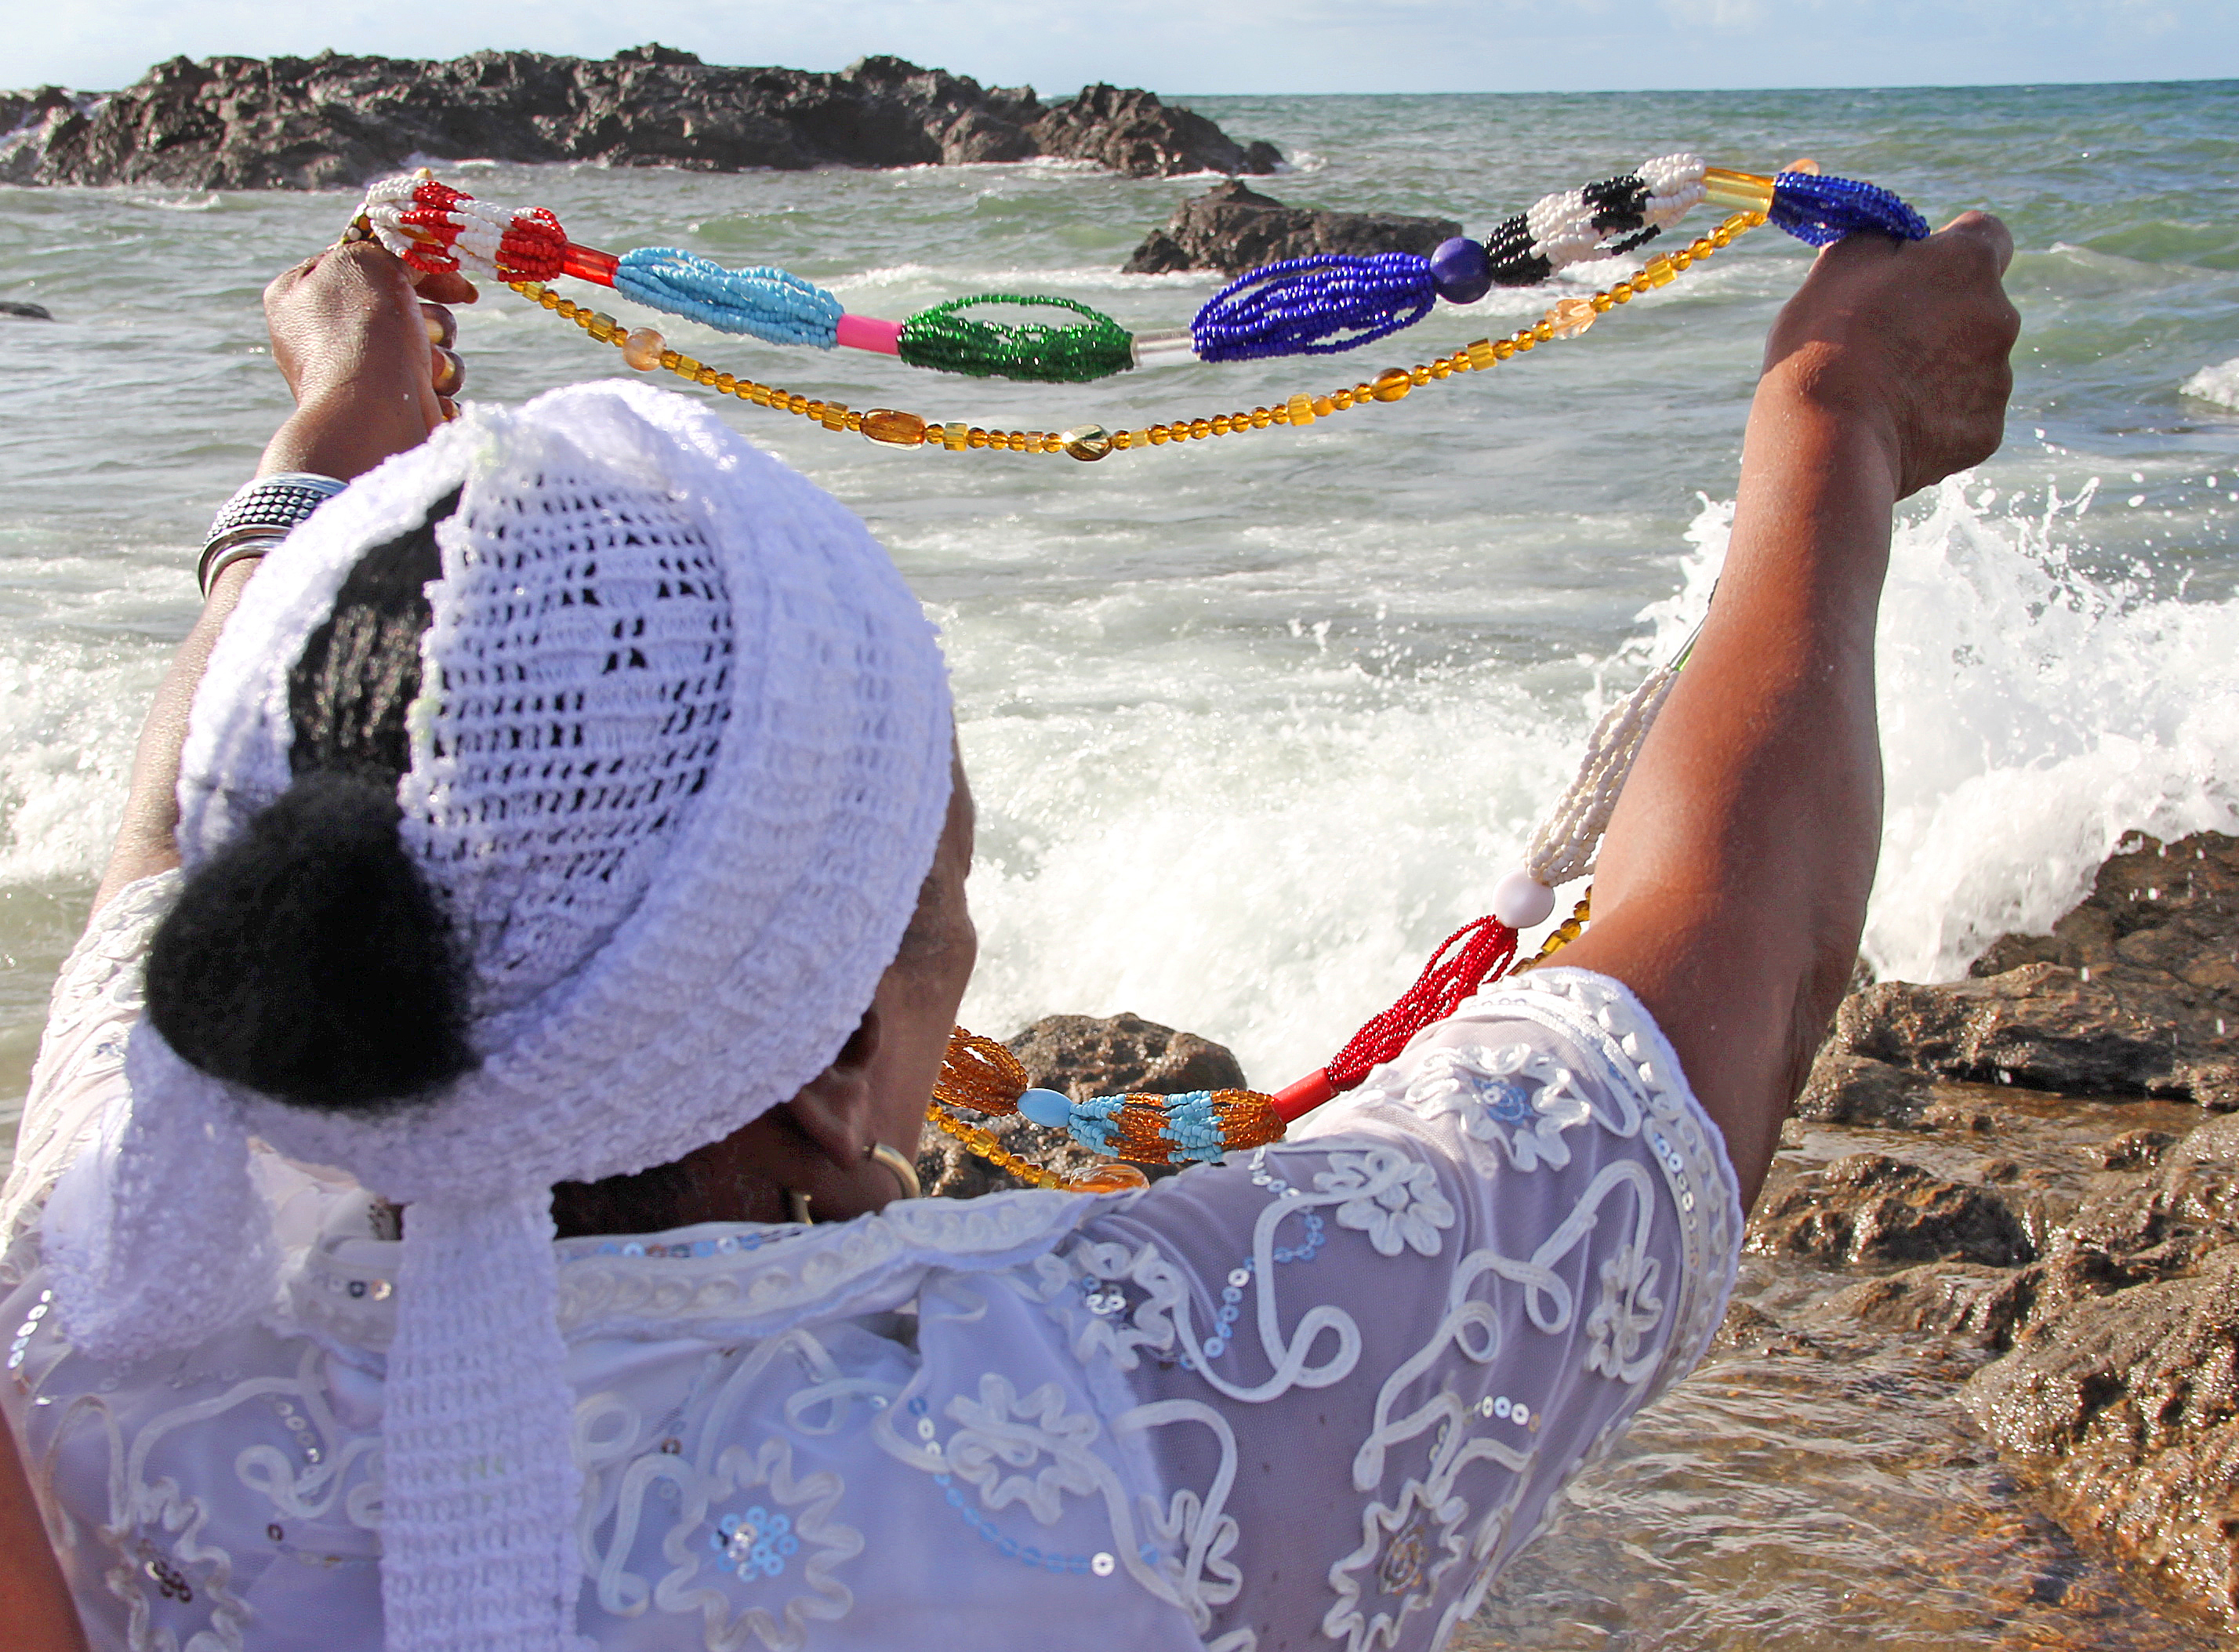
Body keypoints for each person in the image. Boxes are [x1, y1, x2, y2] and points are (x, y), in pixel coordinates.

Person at [0, 201, 2014, 1652]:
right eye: (943, 897)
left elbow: (168, 849)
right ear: (827, 1082)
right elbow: (1710, 993)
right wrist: (1835, 417)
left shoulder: (94, 1281)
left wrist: (339, 438)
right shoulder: (1100, 1419)